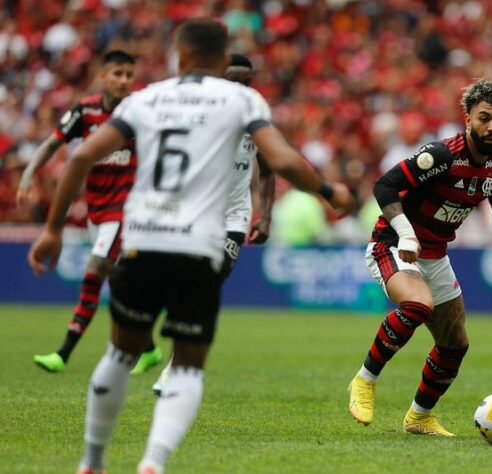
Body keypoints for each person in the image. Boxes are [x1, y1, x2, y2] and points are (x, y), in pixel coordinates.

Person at [28, 18, 352, 474]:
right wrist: (329, 191)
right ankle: (153, 463)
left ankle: (92, 461)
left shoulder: (145, 98)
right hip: (199, 247)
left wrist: (53, 230)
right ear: (223, 60)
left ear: (179, 54)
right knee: (188, 368)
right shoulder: (242, 98)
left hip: (141, 241)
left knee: (119, 353)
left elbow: (81, 155)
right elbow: (279, 159)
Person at [347, 79, 492, 437]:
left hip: (434, 255)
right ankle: (364, 380)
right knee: (419, 305)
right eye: (484, 118)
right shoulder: (442, 155)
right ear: (467, 119)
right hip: (394, 244)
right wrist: (405, 232)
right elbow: (384, 186)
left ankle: (419, 418)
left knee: (455, 345)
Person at [17, 50, 162, 374]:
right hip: (97, 211)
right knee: (119, 285)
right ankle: (149, 349)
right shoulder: (85, 110)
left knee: (94, 271)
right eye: (118, 74)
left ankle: (63, 353)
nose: (124, 80)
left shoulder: (142, 110)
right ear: (103, 76)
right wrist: (28, 175)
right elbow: (53, 143)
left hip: (127, 210)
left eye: (129, 74)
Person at [151, 52, 276, 395]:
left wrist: (265, 215)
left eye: (247, 82)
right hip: (193, 215)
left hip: (233, 218)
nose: (242, 88)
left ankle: (175, 368)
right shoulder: (198, 116)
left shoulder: (256, 120)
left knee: (206, 286)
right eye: (235, 81)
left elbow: (267, 168)